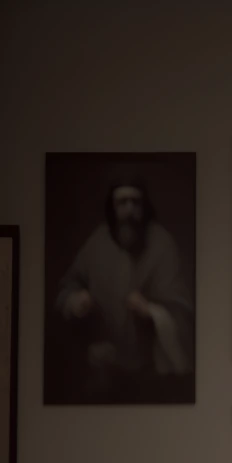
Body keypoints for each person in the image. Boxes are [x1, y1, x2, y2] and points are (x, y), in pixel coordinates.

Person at [49, 168, 192, 402]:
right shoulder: (97, 242)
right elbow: (67, 287)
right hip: (102, 368)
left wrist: (152, 312)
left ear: (144, 207)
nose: (129, 210)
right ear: (112, 208)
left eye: (135, 202)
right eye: (122, 202)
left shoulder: (163, 244)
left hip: (150, 373)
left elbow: (183, 311)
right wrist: (75, 300)